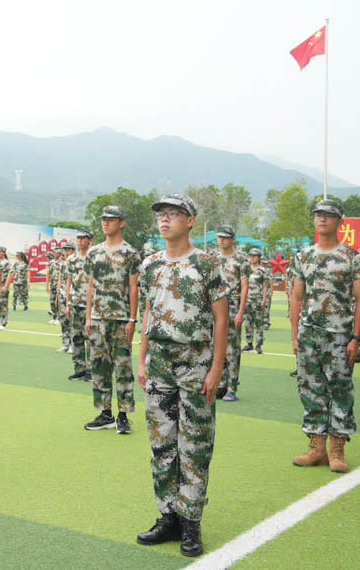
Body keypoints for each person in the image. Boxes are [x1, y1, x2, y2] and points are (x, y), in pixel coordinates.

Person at [135, 193, 228, 558]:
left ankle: (191, 521)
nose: (165, 220)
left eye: (173, 214)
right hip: (158, 363)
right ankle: (168, 515)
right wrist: (141, 360)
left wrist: (216, 368)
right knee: (162, 444)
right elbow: (148, 312)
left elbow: (221, 319)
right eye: (161, 214)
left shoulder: (206, 264)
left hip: (196, 364)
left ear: (190, 221)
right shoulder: (151, 264)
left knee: (195, 445)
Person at [289, 198, 360, 474]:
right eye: (318, 215)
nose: (322, 219)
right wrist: (295, 334)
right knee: (309, 388)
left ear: (339, 221)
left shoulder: (352, 257)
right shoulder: (303, 256)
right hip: (310, 332)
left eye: (328, 215)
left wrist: (356, 337)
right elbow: (296, 296)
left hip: (340, 335)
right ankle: (316, 447)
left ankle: (337, 448)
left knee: (340, 389)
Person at [84, 205, 141, 434]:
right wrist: (88, 317)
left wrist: (132, 319)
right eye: (103, 219)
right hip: (98, 318)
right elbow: (90, 285)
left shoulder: (131, 253)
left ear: (121, 223)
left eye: (111, 219)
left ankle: (123, 415)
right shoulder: (94, 252)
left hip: (120, 319)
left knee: (123, 367)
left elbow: (134, 287)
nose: (105, 223)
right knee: (99, 366)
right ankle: (105, 413)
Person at [214, 226, 249, 401]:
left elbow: (244, 286)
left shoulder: (241, 259)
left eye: (225, 237)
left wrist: (241, 311)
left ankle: (232, 387)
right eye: (219, 237)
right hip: (216, 306)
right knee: (217, 345)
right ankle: (221, 383)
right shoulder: (214, 258)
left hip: (233, 304)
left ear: (233, 239)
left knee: (232, 348)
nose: (221, 240)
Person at [64, 229, 92, 381]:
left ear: (90, 240)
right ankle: (79, 368)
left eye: (84, 238)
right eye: (79, 238)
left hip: (90, 304)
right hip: (75, 303)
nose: (80, 241)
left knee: (90, 338)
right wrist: (67, 303)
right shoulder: (71, 259)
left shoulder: (93, 258)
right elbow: (69, 280)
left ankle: (91, 370)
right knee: (76, 337)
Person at [243, 248, 269, 353]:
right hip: (247, 300)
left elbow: (265, 286)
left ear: (259, 258)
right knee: (248, 323)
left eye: (254, 256)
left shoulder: (262, 270)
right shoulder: (246, 269)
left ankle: (258, 345)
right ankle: (249, 344)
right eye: (250, 256)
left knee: (258, 323)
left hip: (257, 299)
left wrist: (264, 300)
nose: (252, 258)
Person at [56, 242, 76, 353]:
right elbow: (60, 279)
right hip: (62, 294)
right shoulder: (63, 264)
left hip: (73, 295)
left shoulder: (77, 262)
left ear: (73, 250)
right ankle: (65, 343)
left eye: (68, 250)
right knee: (63, 320)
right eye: (65, 250)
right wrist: (57, 294)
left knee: (72, 321)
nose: (66, 252)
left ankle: (73, 345)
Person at [0, 246, 13, 329]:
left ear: (3, 252)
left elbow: (10, 275)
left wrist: (5, 286)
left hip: (2, 285)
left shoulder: (7, 263)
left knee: (3, 304)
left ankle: (3, 323)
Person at [46, 248, 63, 325]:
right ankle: (54, 317)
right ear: (54, 253)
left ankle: (59, 318)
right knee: (52, 301)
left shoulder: (62, 262)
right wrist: (47, 285)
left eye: (60, 253)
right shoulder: (50, 263)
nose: (58, 254)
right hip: (52, 284)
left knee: (59, 301)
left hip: (60, 284)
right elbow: (48, 274)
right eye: (57, 253)